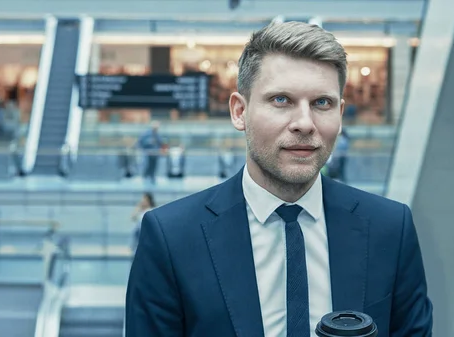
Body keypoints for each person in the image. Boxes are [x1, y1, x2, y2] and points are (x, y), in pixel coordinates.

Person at [125, 21, 432, 337]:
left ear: (340, 115)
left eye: (321, 103)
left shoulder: (390, 229)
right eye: (281, 100)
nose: (304, 123)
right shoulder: (171, 238)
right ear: (239, 112)